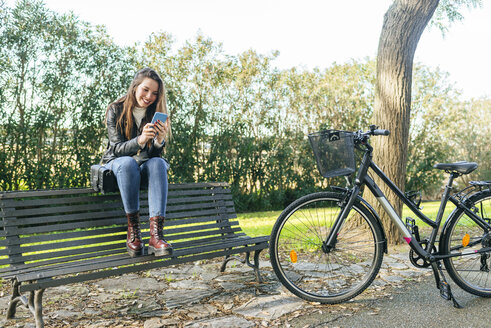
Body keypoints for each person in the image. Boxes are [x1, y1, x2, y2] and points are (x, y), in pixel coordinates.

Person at [100, 67, 173, 258]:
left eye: (155, 93)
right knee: (126, 163)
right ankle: (133, 232)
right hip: (117, 163)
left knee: (158, 164)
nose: (149, 96)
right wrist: (140, 140)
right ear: (135, 87)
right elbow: (116, 148)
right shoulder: (115, 109)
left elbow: (152, 155)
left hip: (142, 164)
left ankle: (156, 236)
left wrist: (158, 141)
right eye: (145, 90)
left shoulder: (153, 113)